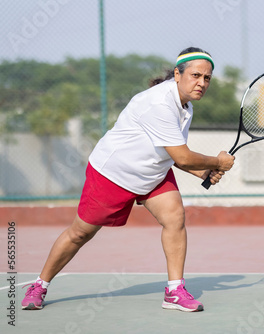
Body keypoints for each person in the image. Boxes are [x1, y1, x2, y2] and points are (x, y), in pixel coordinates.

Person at [22, 47, 235, 312]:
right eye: (195, 75)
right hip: (114, 174)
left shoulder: (185, 106)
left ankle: (174, 291)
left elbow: (170, 155)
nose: (202, 83)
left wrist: (201, 171)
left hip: (152, 174)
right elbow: (182, 157)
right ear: (177, 74)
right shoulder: (158, 102)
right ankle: (39, 285)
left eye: (207, 78)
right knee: (80, 234)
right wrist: (216, 162)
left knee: (175, 218)